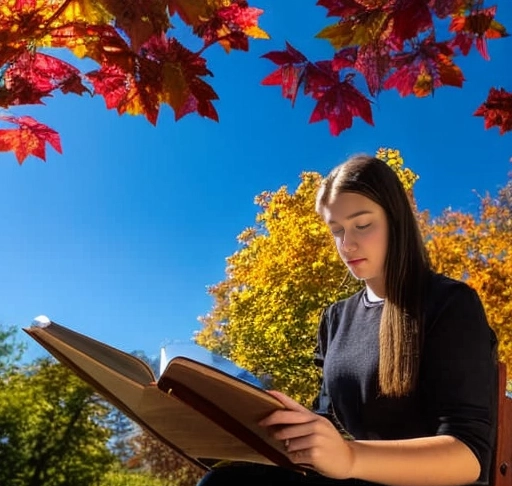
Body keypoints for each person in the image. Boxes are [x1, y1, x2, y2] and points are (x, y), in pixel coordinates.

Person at [196, 155, 498, 486]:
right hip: (348, 478)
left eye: (362, 225)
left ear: (395, 220)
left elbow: (469, 457)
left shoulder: (450, 303)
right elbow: (328, 421)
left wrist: (351, 457)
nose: (346, 244)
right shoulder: (335, 318)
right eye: (336, 230)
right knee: (224, 480)